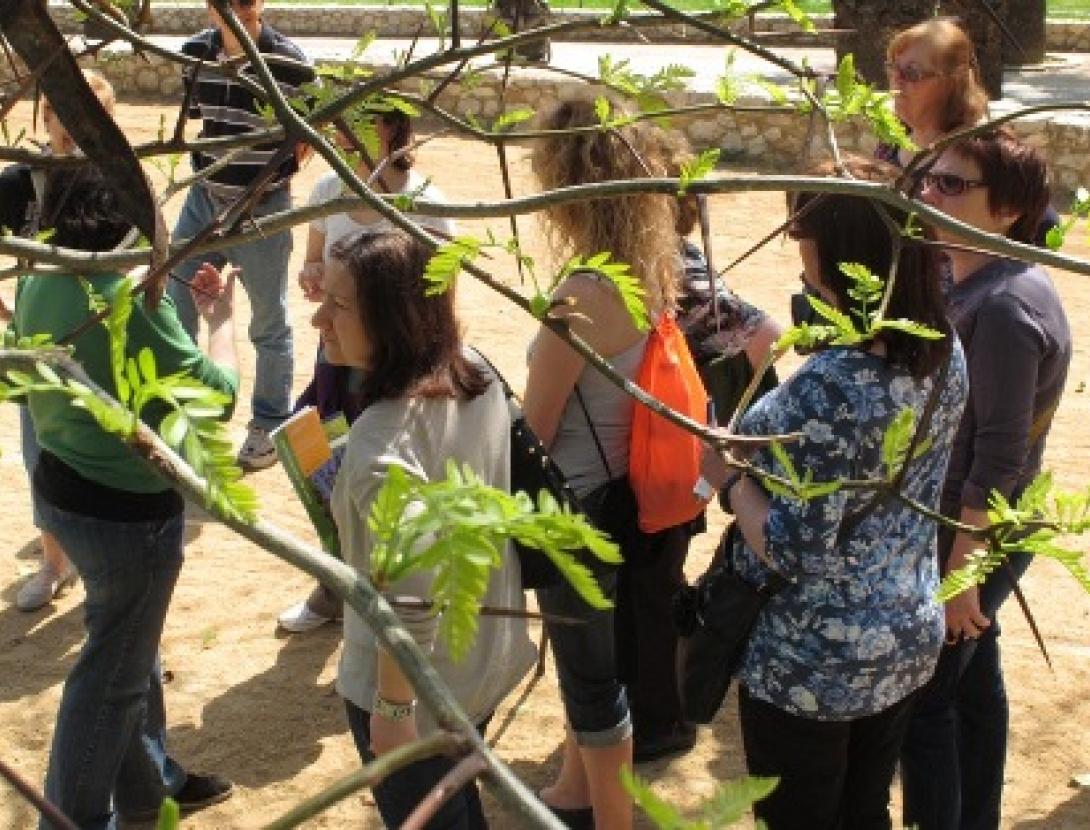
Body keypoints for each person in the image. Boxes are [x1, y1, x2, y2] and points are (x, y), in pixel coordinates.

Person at [699, 157, 969, 830]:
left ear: (848, 255)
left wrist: (730, 477)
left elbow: (793, 551)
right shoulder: (943, 348)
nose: (800, 255)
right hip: (905, 635)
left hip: (815, 661)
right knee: (863, 810)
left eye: (807, 239)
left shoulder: (832, 387)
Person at [14, 164, 238, 828]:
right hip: (126, 517)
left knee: (126, 647)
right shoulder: (125, 298)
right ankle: (72, 818)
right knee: (109, 677)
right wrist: (218, 319)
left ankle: (150, 790)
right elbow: (216, 396)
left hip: (64, 490)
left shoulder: (39, 273)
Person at [323, 230, 536, 828]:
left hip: (416, 692)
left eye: (338, 305)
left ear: (391, 319)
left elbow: (414, 587)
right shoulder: (478, 373)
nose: (319, 317)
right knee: (461, 800)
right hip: (481, 664)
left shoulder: (380, 441)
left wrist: (392, 710)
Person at [523, 98, 690, 829]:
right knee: (594, 658)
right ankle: (572, 782)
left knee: (590, 674)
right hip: (625, 493)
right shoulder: (646, 270)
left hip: (576, 505)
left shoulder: (578, 296)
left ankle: (600, 812)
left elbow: (535, 428)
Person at [900, 130, 1070, 830]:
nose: (926, 195)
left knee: (926, 703)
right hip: (970, 527)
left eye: (950, 186)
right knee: (970, 685)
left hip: (972, 532)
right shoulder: (970, 277)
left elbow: (998, 456)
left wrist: (962, 575)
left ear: (1006, 211)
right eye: (927, 179)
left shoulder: (1002, 305)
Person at [277, 108, 456, 633]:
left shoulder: (426, 202)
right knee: (322, 462)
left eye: (354, 115)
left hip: (395, 368)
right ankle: (336, 580)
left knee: (388, 480)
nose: (337, 127)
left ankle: (390, 597)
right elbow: (312, 260)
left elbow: (440, 299)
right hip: (335, 357)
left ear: (387, 127)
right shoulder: (329, 188)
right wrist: (315, 278)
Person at [167, 0, 315, 471]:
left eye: (248, 2)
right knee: (176, 302)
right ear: (211, 9)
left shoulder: (290, 63)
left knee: (268, 321)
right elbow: (197, 125)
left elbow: (308, 139)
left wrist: (272, 183)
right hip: (203, 203)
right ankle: (186, 412)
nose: (239, 10)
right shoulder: (194, 54)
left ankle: (267, 426)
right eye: (228, 3)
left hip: (262, 210)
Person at [1, 69, 116, 613]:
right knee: (39, 453)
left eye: (85, 115)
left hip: (110, 346)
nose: (68, 127)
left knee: (108, 452)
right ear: (43, 119)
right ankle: (53, 561)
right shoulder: (19, 184)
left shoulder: (124, 183)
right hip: (40, 349)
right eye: (57, 114)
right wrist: (9, 314)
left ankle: (106, 569)